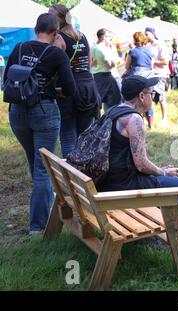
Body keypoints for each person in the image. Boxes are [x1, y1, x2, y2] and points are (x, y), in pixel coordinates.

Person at [4, 13, 76, 234]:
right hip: (44, 111)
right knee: (43, 169)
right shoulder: (57, 53)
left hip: (17, 113)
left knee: (35, 161)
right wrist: (50, 89)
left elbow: (6, 78)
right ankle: (38, 227)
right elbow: (70, 89)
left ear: (36, 29)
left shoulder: (19, 48)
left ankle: (44, 202)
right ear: (55, 34)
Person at [96, 75, 178, 208]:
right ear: (141, 96)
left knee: (168, 181)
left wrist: (161, 171)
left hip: (108, 179)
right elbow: (141, 164)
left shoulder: (113, 110)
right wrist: (164, 172)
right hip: (123, 184)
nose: (152, 97)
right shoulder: (134, 119)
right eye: (151, 93)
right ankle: (158, 223)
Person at [49, 4, 100, 158]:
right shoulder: (82, 35)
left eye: (51, 14)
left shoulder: (59, 38)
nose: (48, 17)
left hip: (69, 89)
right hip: (88, 88)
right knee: (84, 137)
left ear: (60, 18)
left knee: (67, 134)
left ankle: (71, 177)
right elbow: (89, 63)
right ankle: (83, 174)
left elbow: (54, 64)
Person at [124, 31, 153, 127]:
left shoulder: (132, 51)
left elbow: (127, 67)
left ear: (134, 40)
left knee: (137, 100)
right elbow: (151, 65)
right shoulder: (149, 50)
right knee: (148, 98)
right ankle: (150, 123)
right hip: (148, 76)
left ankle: (139, 121)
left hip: (137, 77)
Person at [91, 28, 122, 114]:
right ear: (104, 37)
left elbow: (92, 64)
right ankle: (109, 122)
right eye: (109, 38)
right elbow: (109, 65)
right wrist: (116, 59)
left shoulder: (93, 47)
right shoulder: (103, 49)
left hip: (96, 76)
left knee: (98, 103)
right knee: (113, 102)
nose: (111, 40)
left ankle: (99, 122)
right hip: (106, 77)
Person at [145, 27, 170, 127]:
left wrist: (152, 62)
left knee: (160, 97)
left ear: (153, 34)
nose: (145, 36)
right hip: (149, 74)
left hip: (159, 74)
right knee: (147, 97)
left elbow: (165, 62)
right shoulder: (147, 46)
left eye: (147, 34)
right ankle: (148, 119)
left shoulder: (161, 45)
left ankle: (164, 119)